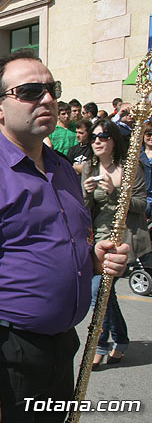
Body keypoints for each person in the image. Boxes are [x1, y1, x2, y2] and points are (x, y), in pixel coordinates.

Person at [0, 49, 129, 423]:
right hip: (10, 357)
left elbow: (57, 249)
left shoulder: (64, 171)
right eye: (28, 91)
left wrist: (96, 260)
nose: (47, 99)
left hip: (63, 348)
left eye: (51, 89)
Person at [82, 120, 150, 370]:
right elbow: (85, 210)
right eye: (94, 137)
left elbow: (143, 204)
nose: (98, 140)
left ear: (114, 140)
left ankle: (99, 346)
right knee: (106, 294)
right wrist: (87, 194)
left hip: (126, 240)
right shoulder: (89, 167)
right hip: (100, 240)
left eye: (104, 136)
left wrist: (115, 192)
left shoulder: (132, 167)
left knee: (98, 293)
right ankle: (120, 340)